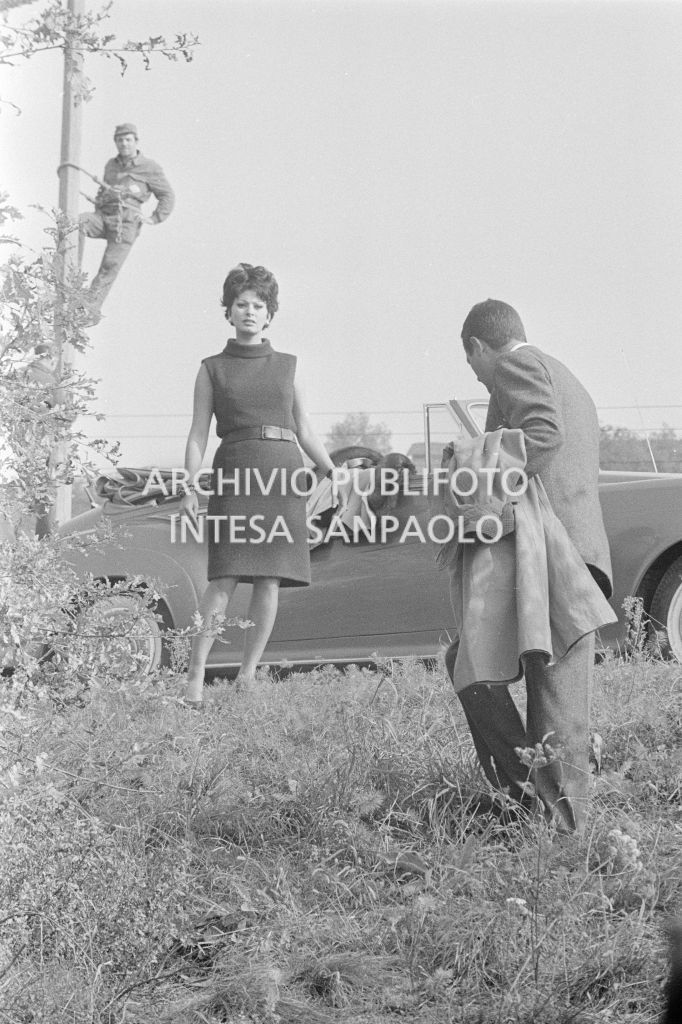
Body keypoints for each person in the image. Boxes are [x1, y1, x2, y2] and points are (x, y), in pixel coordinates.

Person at [445, 298, 613, 833]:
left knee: (552, 689)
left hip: (553, 556)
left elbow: (543, 435)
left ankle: (555, 828)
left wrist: (487, 497)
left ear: (478, 346)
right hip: (569, 550)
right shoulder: (565, 375)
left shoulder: (517, 365)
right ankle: (533, 807)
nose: (473, 373)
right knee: (474, 661)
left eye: (470, 361)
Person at [179, 263, 336, 707]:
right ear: (228, 311)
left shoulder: (289, 366)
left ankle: (248, 676)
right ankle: (195, 678)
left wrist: (330, 469)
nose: (249, 311)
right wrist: (190, 486)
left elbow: (304, 427)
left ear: (270, 315)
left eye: (258, 305)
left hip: (283, 472)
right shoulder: (212, 369)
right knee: (224, 576)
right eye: (241, 304)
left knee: (270, 578)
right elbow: (197, 434)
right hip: (235, 470)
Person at [78, 123, 174, 317]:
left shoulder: (150, 167)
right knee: (75, 223)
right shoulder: (111, 165)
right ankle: (70, 275)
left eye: (128, 140)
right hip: (104, 216)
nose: (124, 144)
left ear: (136, 141)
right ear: (116, 143)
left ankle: (88, 308)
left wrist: (154, 218)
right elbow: (103, 190)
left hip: (126, 223)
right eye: (120, 140)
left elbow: (167, 195)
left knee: (109, 266)